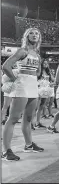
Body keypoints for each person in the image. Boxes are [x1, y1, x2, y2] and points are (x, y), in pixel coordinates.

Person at [2, 28, 44, 161]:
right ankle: (6, 151)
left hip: (32, 86)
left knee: (28, 118)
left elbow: (38, 72)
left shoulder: (37, 55)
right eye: (31, 33)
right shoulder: (22, 51)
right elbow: (6, 66)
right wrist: (15, 80)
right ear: (26, 36)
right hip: (21, 86)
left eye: (36, 33)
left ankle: (29, 145)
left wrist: (35, 77)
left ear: (39, 38)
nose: (34, 35)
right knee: (13, 118)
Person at [34, 59, 54, 129]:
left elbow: (52, 79)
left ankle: (37, 122)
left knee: (42, 106)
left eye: (47, 63)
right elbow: (35, 79)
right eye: (44, 63)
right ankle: (31, 123)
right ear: (41, 64)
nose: (46, 65)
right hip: (38, 90)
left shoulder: (48, 72)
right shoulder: (38, 71)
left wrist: (51, 83)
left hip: (45, 91)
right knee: (35, 107)